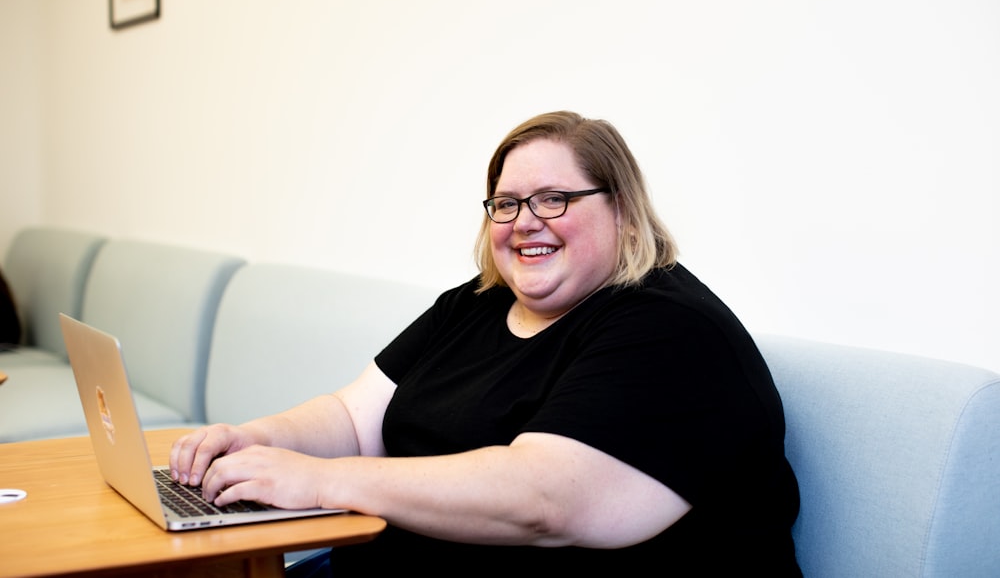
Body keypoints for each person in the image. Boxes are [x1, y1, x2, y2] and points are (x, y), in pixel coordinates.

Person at [170, 111, 801, 573]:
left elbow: (544, 499)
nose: (526, 221)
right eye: (506, 203)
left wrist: (319, 482)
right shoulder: (477, 303)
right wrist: (260, 439)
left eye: (555, 199)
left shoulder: (670, 330)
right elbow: (353, 416)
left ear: (623, 211)